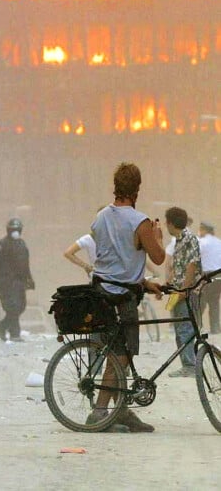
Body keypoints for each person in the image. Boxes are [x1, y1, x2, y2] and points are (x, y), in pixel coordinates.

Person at [87, 162, 164, 433]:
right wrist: (156, 236)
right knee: (120, 354)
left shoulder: (101, 218)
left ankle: (120, 411)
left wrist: (143, 281)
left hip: (101, 291)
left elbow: (113, 260)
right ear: (137, 189)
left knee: (118, 351)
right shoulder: (139, 222)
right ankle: (99, 412)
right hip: (122, 297)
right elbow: (158, 257)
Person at [165, 207, 202, 377]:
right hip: (178, 291)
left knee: (186, 329)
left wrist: (185, 290)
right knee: (180, 329)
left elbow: (192, 265)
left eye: (167, 223)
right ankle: (187, 364)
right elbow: (177, 266)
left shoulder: (189, 239)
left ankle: (190, 365)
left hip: (186, 292)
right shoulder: (179, 240)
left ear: (171, 223)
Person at [0, 218, 35, 342]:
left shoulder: (22, 244)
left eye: (17, 229)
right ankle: (15, 334)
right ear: (8, 230)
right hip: (6, 281)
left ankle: (1, 327)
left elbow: (25, 264)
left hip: (20, 281)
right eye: (13, 229)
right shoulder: (1, 245)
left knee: (21, 306)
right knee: (13, 307)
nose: (15, 232)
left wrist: (29, 279)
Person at [197, 221, 221, 334]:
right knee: (214, 302)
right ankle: (215, 328)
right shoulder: (219, 242)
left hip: (207, 275)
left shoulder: (201, 242)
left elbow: (196, 258)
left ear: (203, 230)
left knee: (201, 302)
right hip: (219, 276)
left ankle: (196, 326)